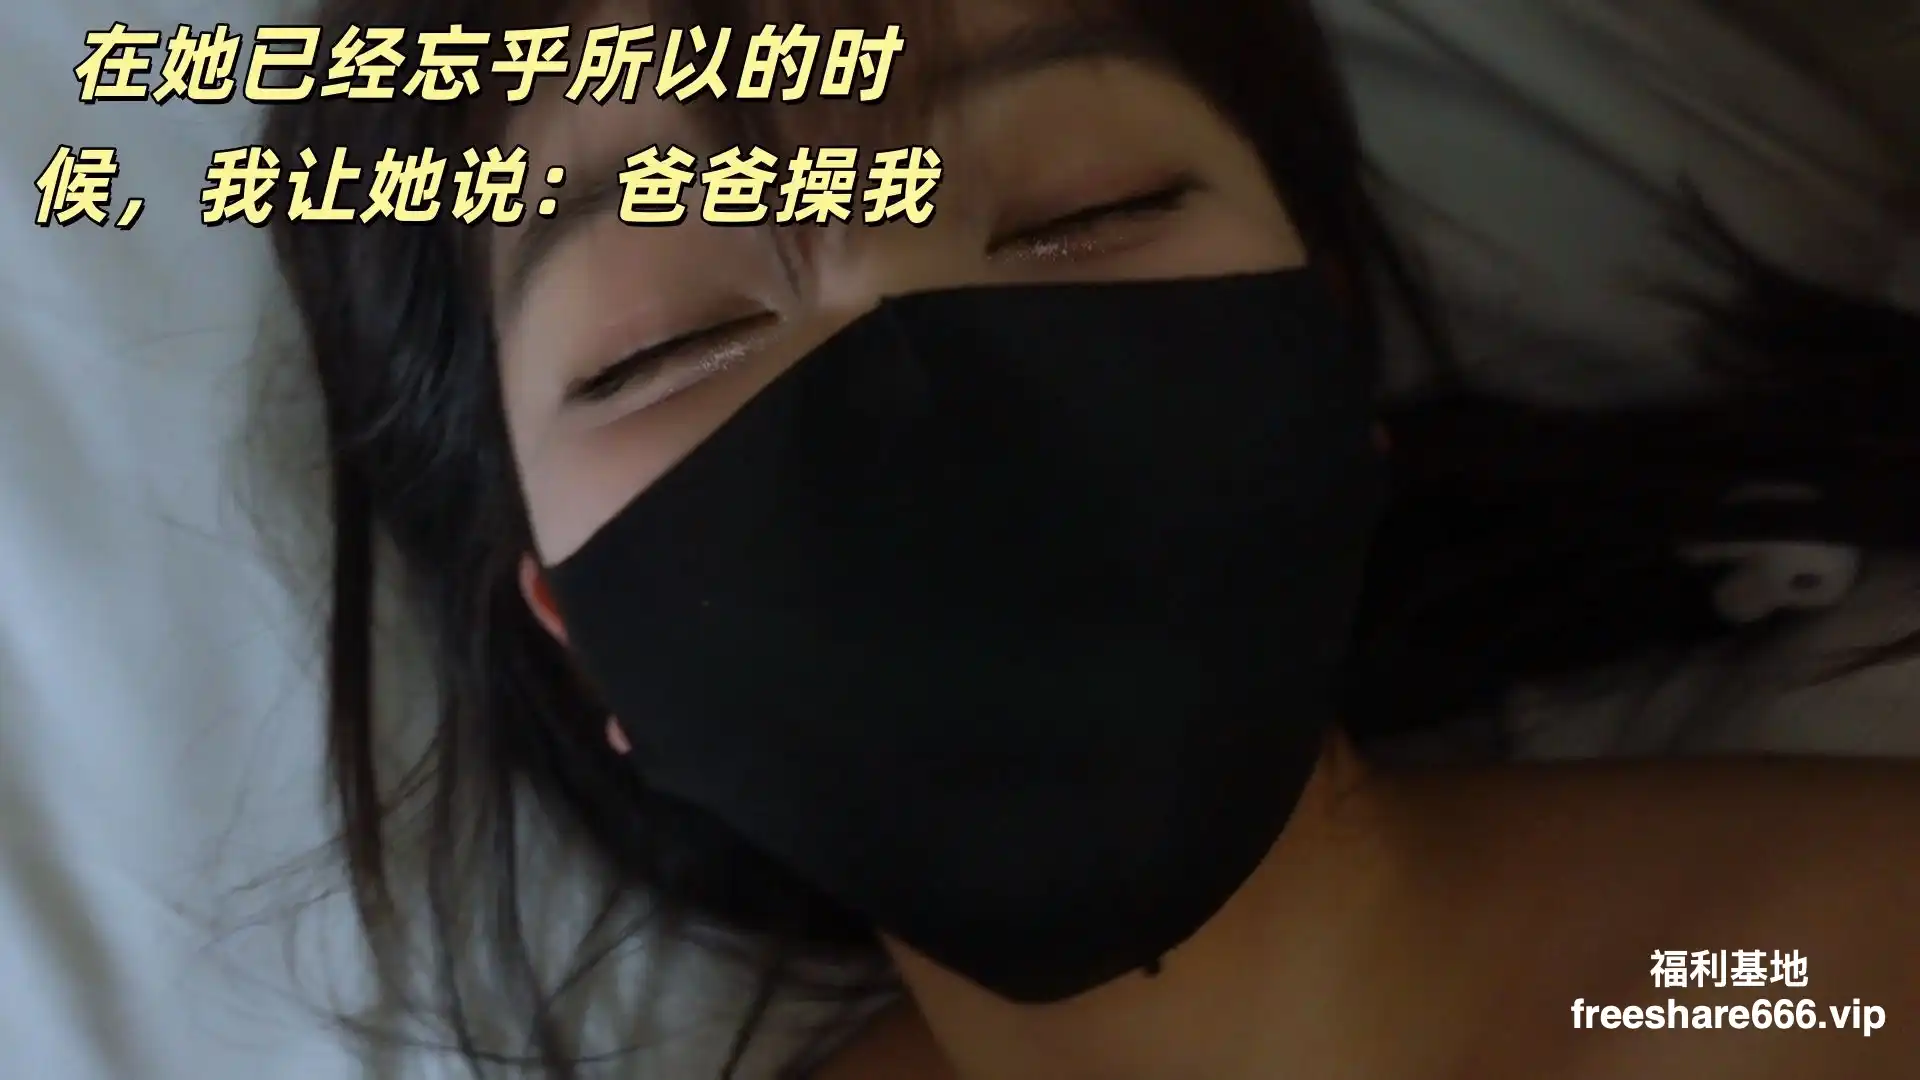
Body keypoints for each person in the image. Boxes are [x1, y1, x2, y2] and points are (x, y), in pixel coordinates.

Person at [263, 1, 1920, 1077]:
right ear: (574, 639)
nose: (920, 380)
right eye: (670, 341)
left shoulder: (1797, 974)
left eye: (1085, 211)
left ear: (1331, 346)